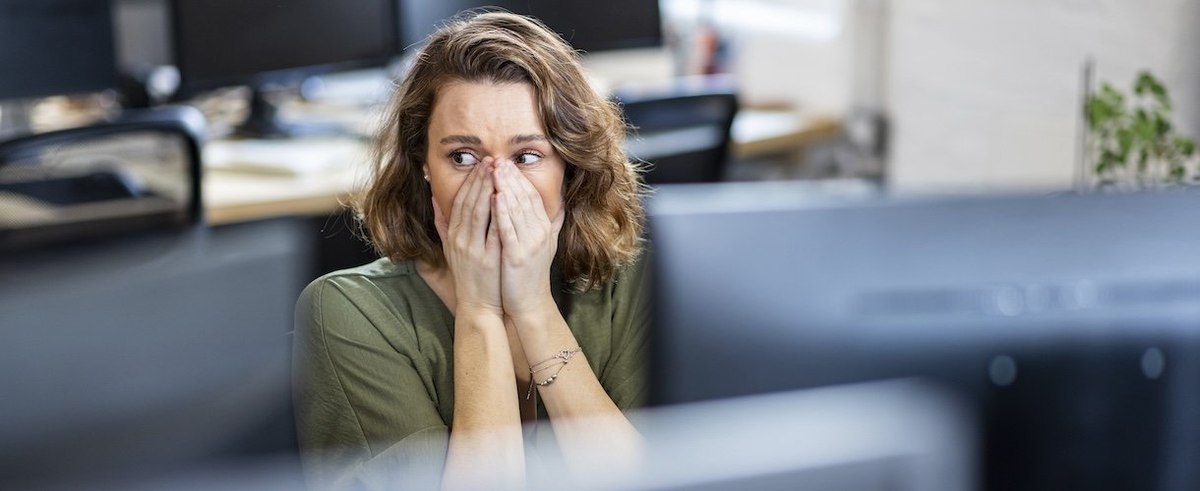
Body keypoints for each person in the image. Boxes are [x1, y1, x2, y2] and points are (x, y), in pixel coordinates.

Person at [292, 11, 650, 490]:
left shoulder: (627, 283)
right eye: (463, 156)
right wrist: (480, 310)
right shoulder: (348, 313)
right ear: (423, 164)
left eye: (527, 156)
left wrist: (532, 308)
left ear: (569, 165)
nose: (498, 188)